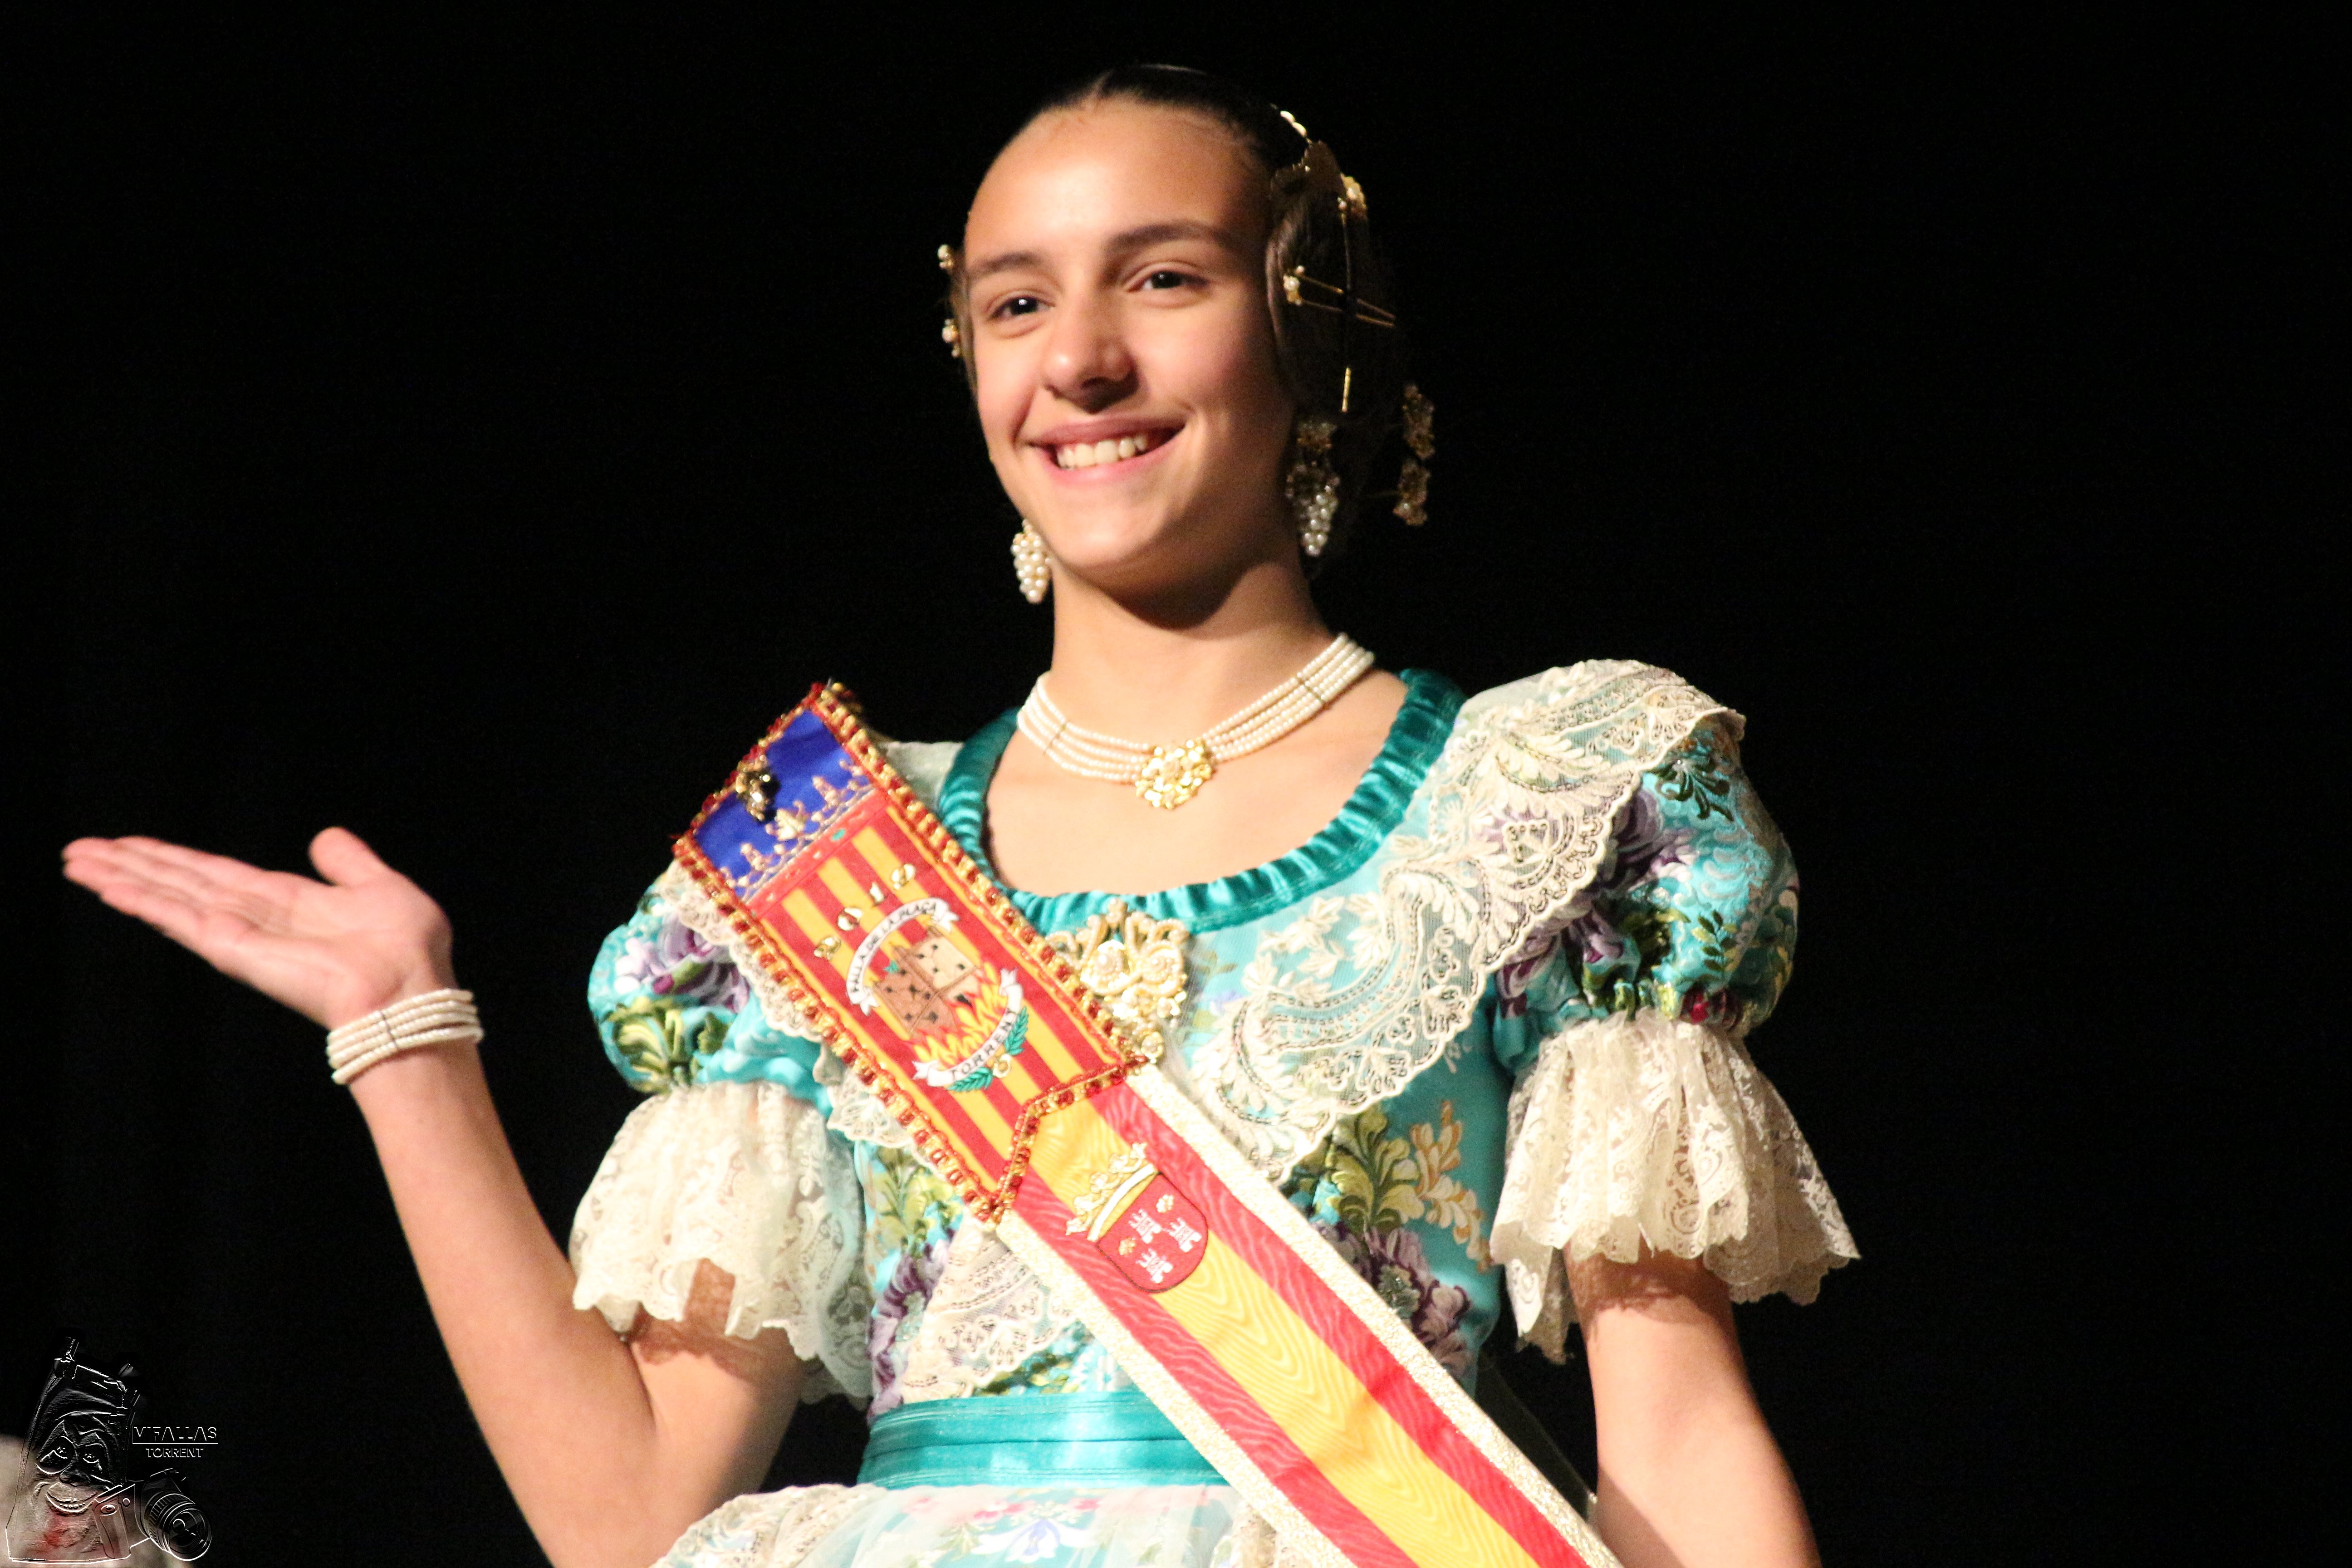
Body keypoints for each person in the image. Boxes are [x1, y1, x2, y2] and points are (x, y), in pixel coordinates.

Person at [62, 66, 1856, 1568]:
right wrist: (406, 1039)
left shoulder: (1547, 799)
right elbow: (625, 1516)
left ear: (1311, 330)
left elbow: (1682, 1446)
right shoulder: (818, 868)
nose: (1075, 360)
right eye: (1015, 300)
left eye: (1161, 279)